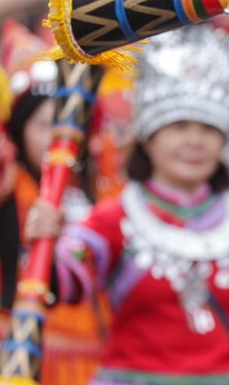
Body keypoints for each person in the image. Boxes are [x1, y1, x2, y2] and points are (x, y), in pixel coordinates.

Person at [25, 25, 229, 385]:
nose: (195, 141)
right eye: (179, 127)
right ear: (148, 138)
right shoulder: (112, 220)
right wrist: (45, 241)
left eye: (209, 130)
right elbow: (65, 284)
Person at [0, 19, 105, 385]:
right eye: (44, 126)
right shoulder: (8, 194)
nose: (58, 139)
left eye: (66, 125)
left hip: (98, 360)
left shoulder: (100, 192)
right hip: (25, 358)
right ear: (19, 131)